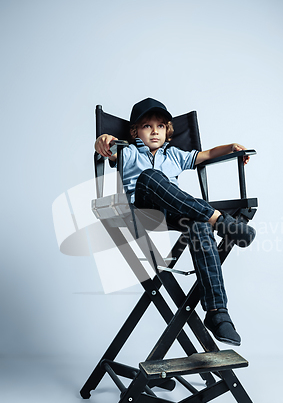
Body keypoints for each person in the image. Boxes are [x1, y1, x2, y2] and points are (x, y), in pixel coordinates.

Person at [94, 98, 255, 346]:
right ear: (135, 130)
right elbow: (106, 146)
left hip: (173, 211)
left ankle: (217, 312)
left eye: (160, 126)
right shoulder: (128, 151)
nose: (154, 130)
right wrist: (102, 140)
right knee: (151, 176)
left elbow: (207, 154)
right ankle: (220, 221)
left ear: (168, 131)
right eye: (147, 126)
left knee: (199, 224)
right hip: (141, 209)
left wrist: (230, 147)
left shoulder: (175, 155)